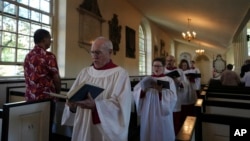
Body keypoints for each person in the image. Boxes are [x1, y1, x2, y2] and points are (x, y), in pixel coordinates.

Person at [61, 37, 132, 141]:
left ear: (110, 52)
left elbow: (121, 106)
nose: (94, 56)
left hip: (104, 131)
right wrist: (72, 107)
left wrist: (96, 106)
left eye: (98, 53)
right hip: (83, 125)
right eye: (92, 52)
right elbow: (72, 97)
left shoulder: (120, 74)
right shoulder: (84, 72)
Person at [133, 57, 177, 141]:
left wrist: (161, 92)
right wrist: (143, 90)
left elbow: (173, 97)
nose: (156, 68)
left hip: (161, 108)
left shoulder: (169, 80)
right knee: (148, 129)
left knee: (161, 130)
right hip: (148, 109)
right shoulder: (147, 79)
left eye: (159, 66)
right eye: (155, 66)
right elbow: (136, 91)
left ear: (163, 67)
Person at [24, 29, 61, 101]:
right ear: (44, 40)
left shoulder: (28, 56)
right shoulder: (49, 56)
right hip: (45, 98)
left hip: (30, 96)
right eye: (50, 38)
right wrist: (58, 94)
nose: (51, 41)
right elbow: (56, 79)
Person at [165, 55, 189, 135]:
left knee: (176, 119)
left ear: (174, 62)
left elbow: (186, 84)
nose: (169, 62)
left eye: (171, 60)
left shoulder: (180, 71)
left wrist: (178, 82)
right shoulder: (163, 71)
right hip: (165, 98)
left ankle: (176, 135)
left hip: (176, 98)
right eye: (168, 60)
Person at [178, 59, 196, 125]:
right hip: (182, 90)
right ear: (180, 65)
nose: (184, 66)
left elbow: (194, 81)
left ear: (187, 65)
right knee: (183, 105)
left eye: (185, 65)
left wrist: (191, 78)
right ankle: (182, 120)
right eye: (182, 65)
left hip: (189, 89)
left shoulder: (190, 71)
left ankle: (190, 119)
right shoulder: (179, 72)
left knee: (190, 103)